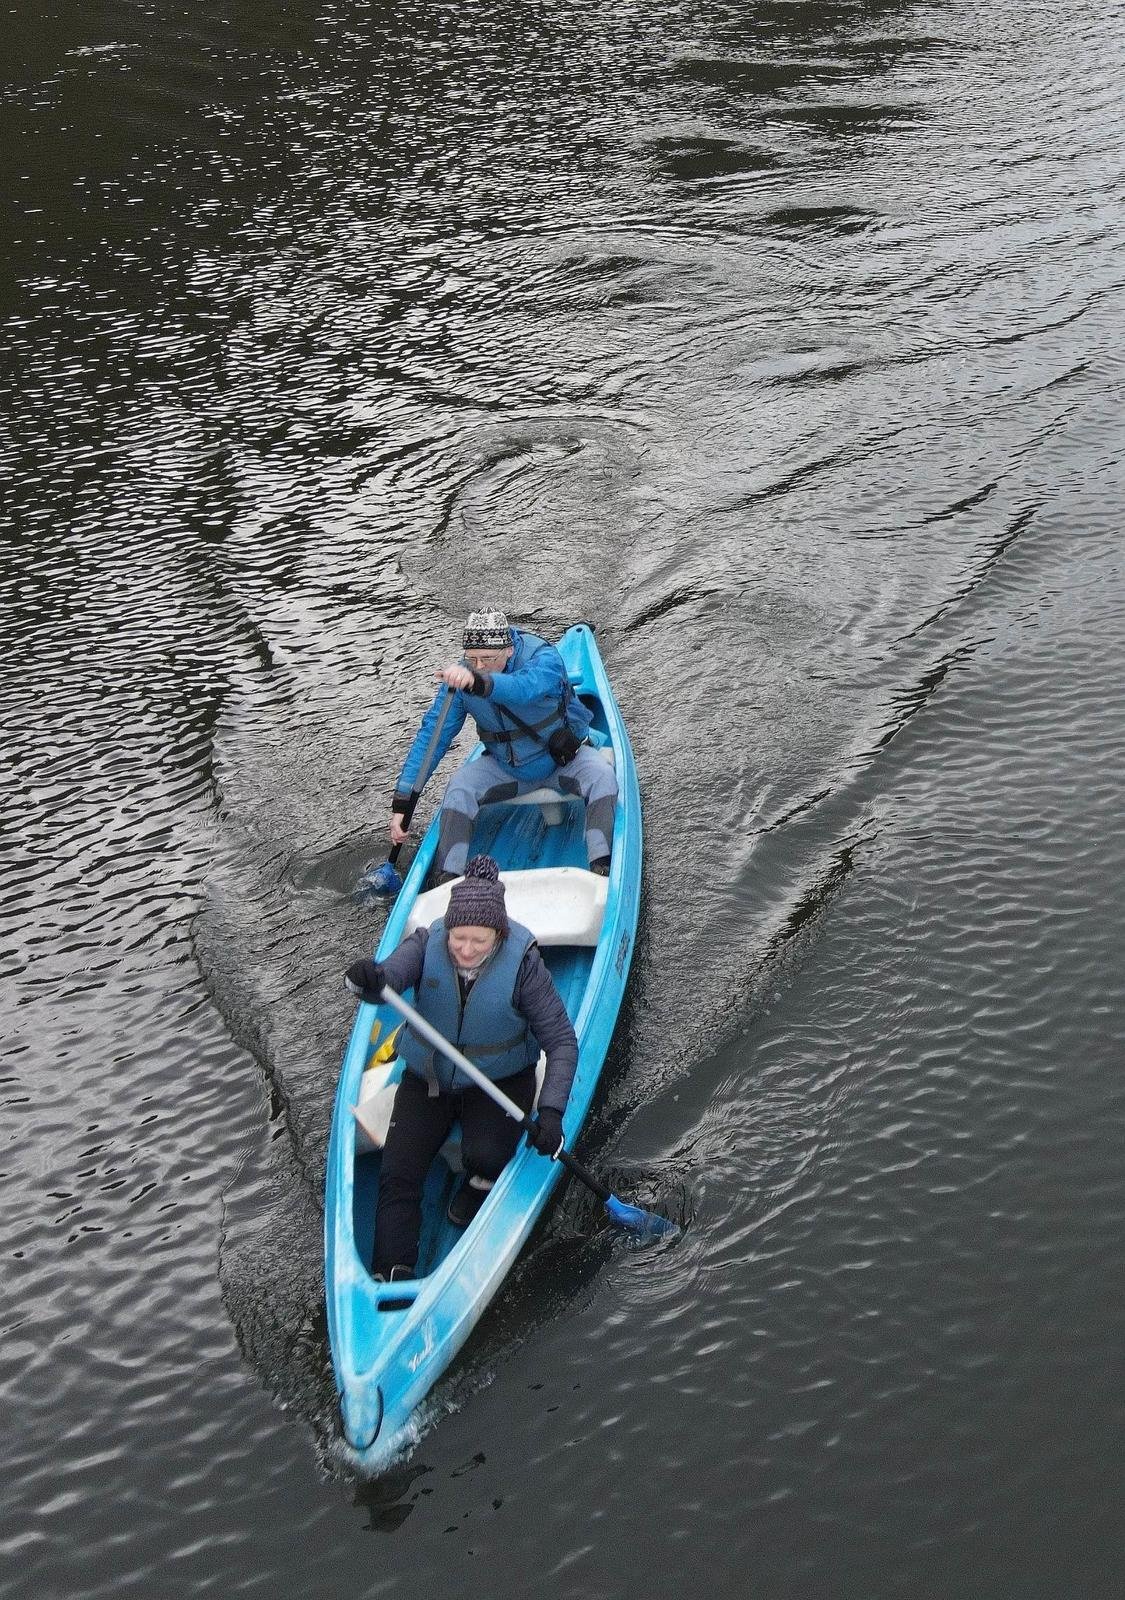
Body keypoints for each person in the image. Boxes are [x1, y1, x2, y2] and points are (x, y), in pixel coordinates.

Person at [345, 855, 578, 1281]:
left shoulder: (524, 966)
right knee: (398, 1171)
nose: (466, 950)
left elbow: (561, 1042)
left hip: (500, 1078)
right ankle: (391, 1269)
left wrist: (552, 1112)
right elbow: (386, 980)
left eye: (479, 940)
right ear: (448, 929)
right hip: (430, 1077)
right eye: (458, 938)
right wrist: (370, 979)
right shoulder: (424, 944)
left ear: (498, 935)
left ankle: (479, 1184)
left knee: (487, 1155)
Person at [390, 607, 617, 882]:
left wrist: (478, 682)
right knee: (459, 787)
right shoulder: (462, 681)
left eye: (487, 658)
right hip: (508, 768)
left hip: (562, 760)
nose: (479, 665)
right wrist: (403, 804)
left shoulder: (544, 659)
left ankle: (602, 867)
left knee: (603, 777)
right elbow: (432, 738)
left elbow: (523, 689)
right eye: (472, 658)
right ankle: (446, 878)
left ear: (509, 650)